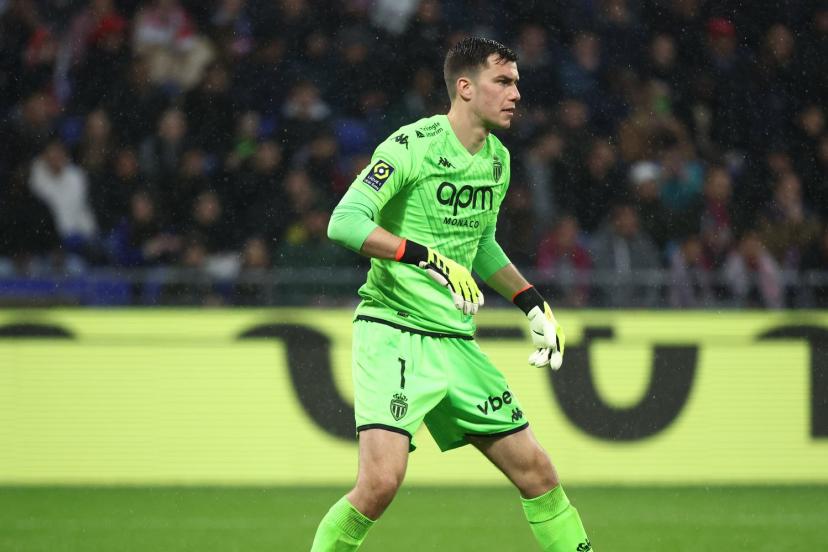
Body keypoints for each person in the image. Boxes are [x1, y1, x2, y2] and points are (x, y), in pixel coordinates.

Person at [312, 37, 592, 552]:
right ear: (465, 87)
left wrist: (531, 302)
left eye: (516, 83)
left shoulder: (498, 160)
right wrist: (424, 256)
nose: (515, 94)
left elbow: (480, 244)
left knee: (538, 472)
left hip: (456, 341)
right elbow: (344, 222)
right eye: (502, 82)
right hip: (394, 330)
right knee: (380, 483)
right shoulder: (411, 146)